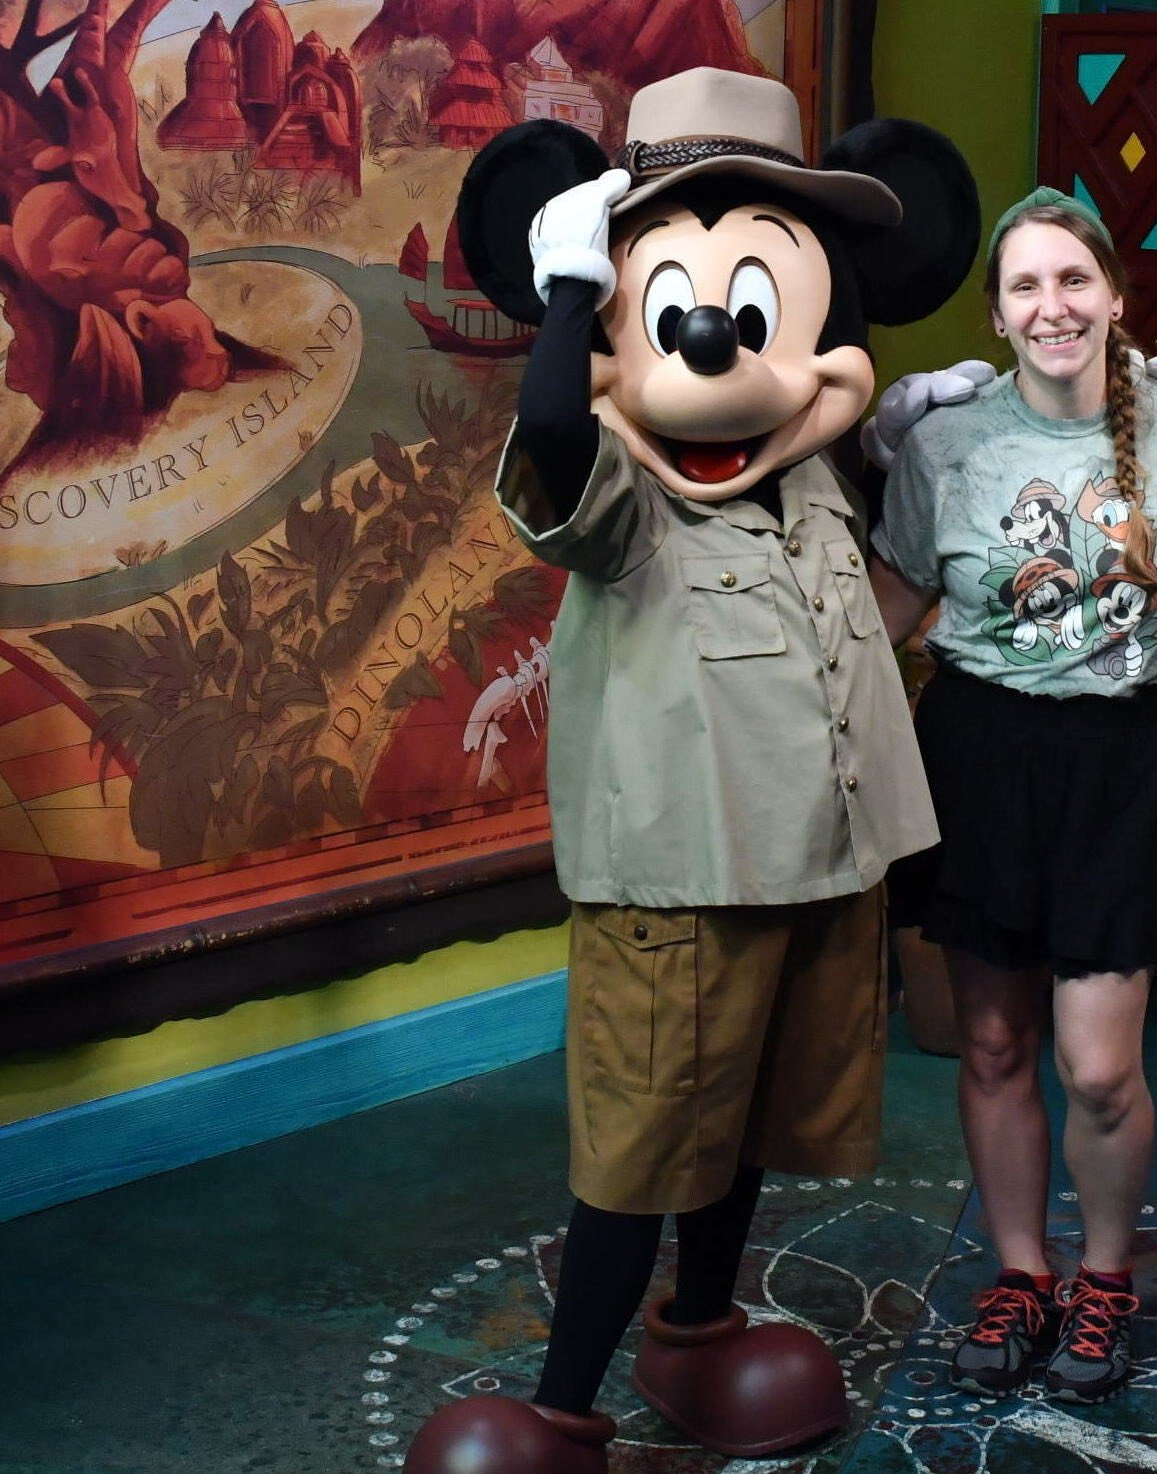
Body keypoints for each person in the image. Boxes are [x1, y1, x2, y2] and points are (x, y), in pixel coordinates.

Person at [403, 71, 979, 1473]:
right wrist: (559, 294)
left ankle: (705, 1325)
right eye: (669, 306)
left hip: (818, 870)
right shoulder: (626, 502)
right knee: (644, 1150)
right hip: (681, 888)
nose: (722, 340)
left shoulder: (818, 486)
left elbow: (870, 624)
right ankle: (560, 1406)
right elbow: (551, 436)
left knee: (754, 1126)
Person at [866, 187, 1157, 1405]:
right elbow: (881, 616)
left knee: (1100, 1066)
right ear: (997, 313)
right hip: (980, 753)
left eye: (1073, 280)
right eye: (1027, 286)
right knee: (993, 1040)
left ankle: (1102, 1278)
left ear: (1111, 295)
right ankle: (1020, 1271)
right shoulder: (945, 446)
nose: (1053, 305)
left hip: (1122, 764)